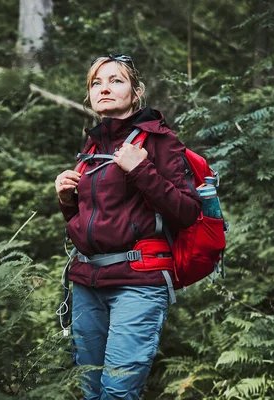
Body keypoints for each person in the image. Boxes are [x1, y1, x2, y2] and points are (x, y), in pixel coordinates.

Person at [54, 54, 201, 399]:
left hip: (138, 282)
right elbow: (94, 225)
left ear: (136, 93)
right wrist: (67, 200)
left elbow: (187, 211)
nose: (104, 88)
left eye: (116, 81)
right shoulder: (92, 146)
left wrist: (141, 170)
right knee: (91, 390)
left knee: (118, 392)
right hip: (88, 283)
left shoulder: (159, 140)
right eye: (96, 83)